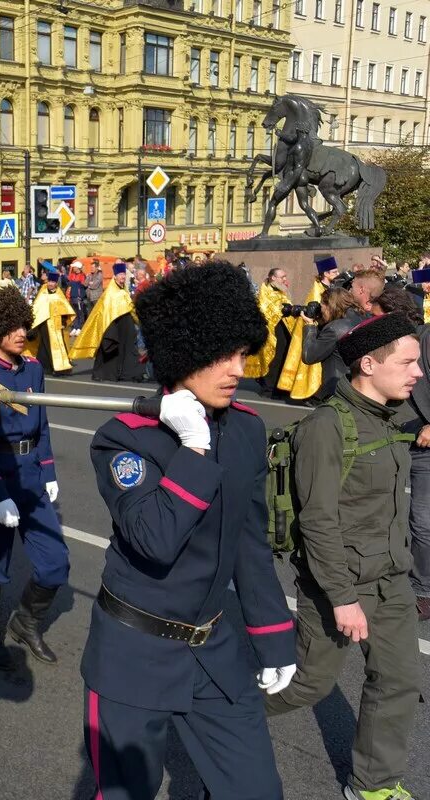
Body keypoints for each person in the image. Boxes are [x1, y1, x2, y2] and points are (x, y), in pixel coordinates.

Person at [83, 262, 297, 800]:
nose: (235, 369)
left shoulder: (248, 430)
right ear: (182, 356)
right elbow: (154, 537)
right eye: (219, 355)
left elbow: (249, 544)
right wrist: (194, 448)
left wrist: (273, 638)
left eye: (241, 354)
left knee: (256, 791)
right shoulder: (124, 439)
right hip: (135, 651)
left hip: (215, 647)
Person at [266, 314, 422, 800]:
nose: (419, 372)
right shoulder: (326, 427)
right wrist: (341, 598)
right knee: (306, 686)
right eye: (409, 362)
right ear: (369, 364)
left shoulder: (390, 418)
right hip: (340, 587)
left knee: (397, 682)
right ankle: (215, 715)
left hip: (392, 580)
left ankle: (373, 786)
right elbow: (317, 522)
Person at [0, 287, 67, 670]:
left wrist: (49, 469)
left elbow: (42, 425)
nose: (20, 331)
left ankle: (26, 622)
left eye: (22, 323)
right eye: (9, 325)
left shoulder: (34, 369)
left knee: (55, 561)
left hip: (32, 478)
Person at [403, 268, 430, 621]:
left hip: (425, 443)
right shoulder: (414, 336)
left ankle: (423, 591)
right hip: (404, 435)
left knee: (422, 520)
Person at [278, 254, 340, 400]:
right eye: (334, 271)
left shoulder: (331, 287)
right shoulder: (316, 290)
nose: (337, 274)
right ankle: (311, 394)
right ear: (325, 273)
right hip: (315, 330)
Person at [69, 262, 144, 382]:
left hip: (126, 324)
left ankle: (130, 373)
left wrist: (138, 320)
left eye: (124, 275)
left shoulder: (124, 291)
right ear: (115, 276)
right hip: (113, 324)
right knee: (111, 347)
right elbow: (105, 311)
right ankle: (104, 373)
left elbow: (130, 307)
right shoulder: (110, 292)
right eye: (120, 275)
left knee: (129, 348)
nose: (122, 277)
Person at [299, 287, 364, 401]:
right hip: (356, 385)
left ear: (330, 305)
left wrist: (310, 326)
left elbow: (309, 356)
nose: (321, 310)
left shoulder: (334, 329)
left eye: (322, 306)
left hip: (337, 388)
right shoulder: (360, 319)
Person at [244, 267, 298, 395]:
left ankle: (279, 385)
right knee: (272, 358)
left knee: (282, 356)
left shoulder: (281, 292)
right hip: (270, 331)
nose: (285, 279)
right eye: (282, 277)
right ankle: (268, 387)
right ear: (273, 278)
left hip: (282, 329)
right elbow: (265, 309)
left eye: (285, 276)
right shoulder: (265, 292)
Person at [29, 268, 75, 376]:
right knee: (45, 345)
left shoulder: (60, 294)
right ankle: (45, 367)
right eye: (49, 281)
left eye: (53, 282)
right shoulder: (42, 293)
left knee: (59, 346)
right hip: (45, 323)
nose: (50, 284)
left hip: (57, 324)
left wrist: (64, 322)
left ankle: (61, 368)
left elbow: (65, 309)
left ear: (56, 283)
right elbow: (37, 307)